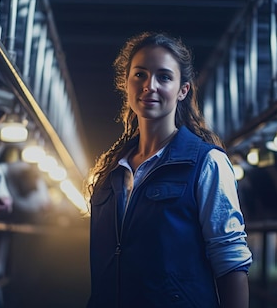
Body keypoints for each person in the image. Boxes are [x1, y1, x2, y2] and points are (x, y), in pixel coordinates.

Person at [85, 31, 253, 308]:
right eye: (140, 74)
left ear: (182, 90)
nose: (149, 85)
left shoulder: (207, 162)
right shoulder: (111, 170)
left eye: (164, 77)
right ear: (126, 84)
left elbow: (230, 260)